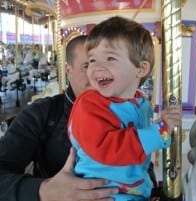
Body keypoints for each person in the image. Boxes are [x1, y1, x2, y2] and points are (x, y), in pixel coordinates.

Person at [67, 16, 182, 201]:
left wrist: (164, 129)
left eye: (110, 58)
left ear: (141, 69)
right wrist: (160, 131)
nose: (97, 68)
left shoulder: (141, 104)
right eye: (92, 61)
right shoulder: (89, 104)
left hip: (132, 192)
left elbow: (140, 148)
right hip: (103, 193)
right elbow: (106, 147)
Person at [0, 35, 119, 201]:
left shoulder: (123, 111)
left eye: (105, 66)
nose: (97, 75)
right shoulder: (42, 113)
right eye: (88, 65)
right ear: (68, 69)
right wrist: (43, 190)